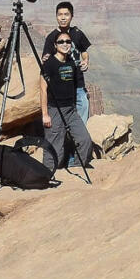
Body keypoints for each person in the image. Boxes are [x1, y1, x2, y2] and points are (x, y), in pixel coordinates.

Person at [38, 35, 94, 175]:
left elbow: (74, 86)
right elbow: (43, 89)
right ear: (55, 45)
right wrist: (45, 114)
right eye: (61, 42)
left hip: (70, 110)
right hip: (55, 110)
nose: (65, 44)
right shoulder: (49, 64)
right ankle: (47, 175)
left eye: (68, 41)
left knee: (84, 140)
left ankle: (77, 168)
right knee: (55, 148)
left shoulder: (71, 63)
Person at [41, 1, 92, 122]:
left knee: (83, 111)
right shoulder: (51, 37)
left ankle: (79, 139)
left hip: (78, 83)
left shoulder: (78, 33)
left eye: (66, 14)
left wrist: (86, 60)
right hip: (61, 85)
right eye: (60, 14)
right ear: (56, 16)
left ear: (72, 16)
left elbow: (84, 51)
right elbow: (46, 59)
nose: (63, 17)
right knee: (62, 118)